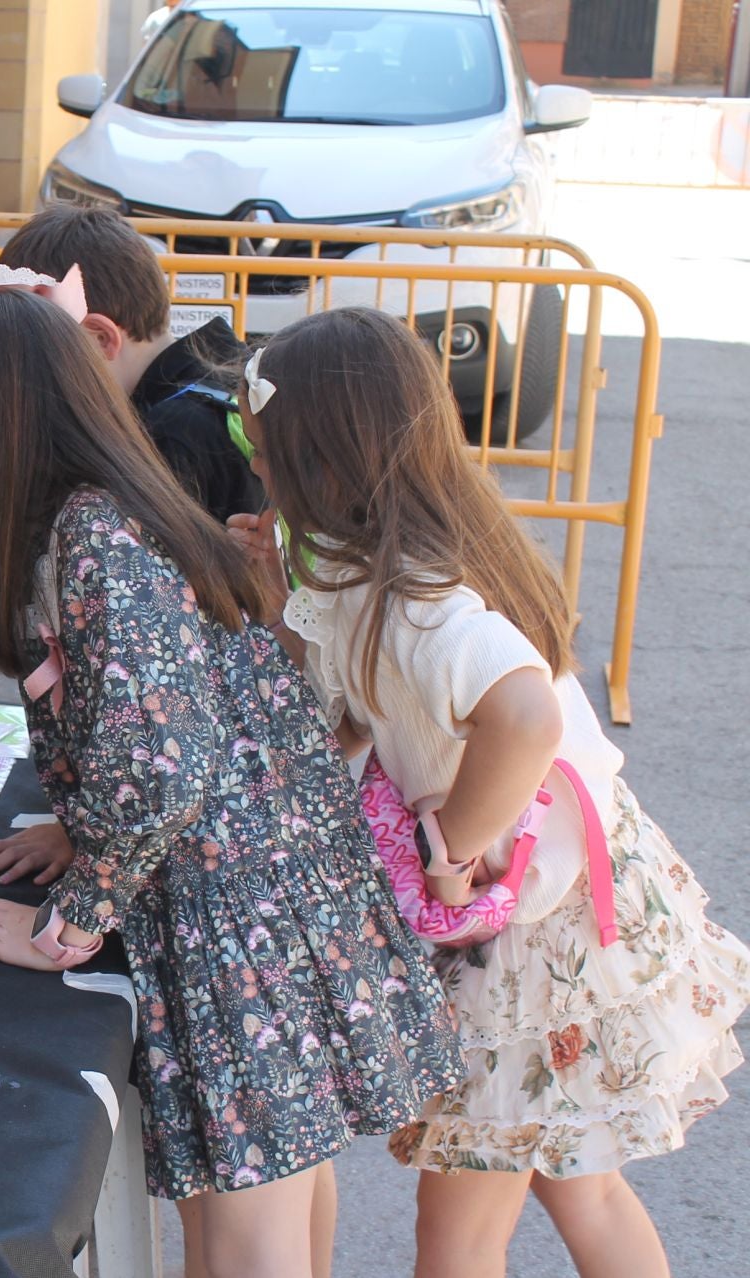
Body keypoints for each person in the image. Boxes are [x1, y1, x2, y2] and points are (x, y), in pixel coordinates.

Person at [0, 279, 463, 1278]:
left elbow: (159, 774)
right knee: (275, 1181)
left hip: (236, 911)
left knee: (245, 1231)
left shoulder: (96, 541)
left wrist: (69, 923)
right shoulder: (85, 516)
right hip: (256, 886)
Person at [229, 307, 750, 1278]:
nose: (257, 472)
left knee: (461, 1233)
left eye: (264, 453)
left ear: (322, 459)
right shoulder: (367, 564)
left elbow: (526, 717)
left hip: (527, 944)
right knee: (579, 1186)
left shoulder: (419, 596)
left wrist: (453, 854)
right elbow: (332, 712)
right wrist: (276, 587)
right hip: (567, 907)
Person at [0, 204, 264, 889]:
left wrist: (90, 840)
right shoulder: (226, 372)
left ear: (98, 340)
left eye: (35, 365)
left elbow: (150, 685)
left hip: (201, 815)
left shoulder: (170, 443)